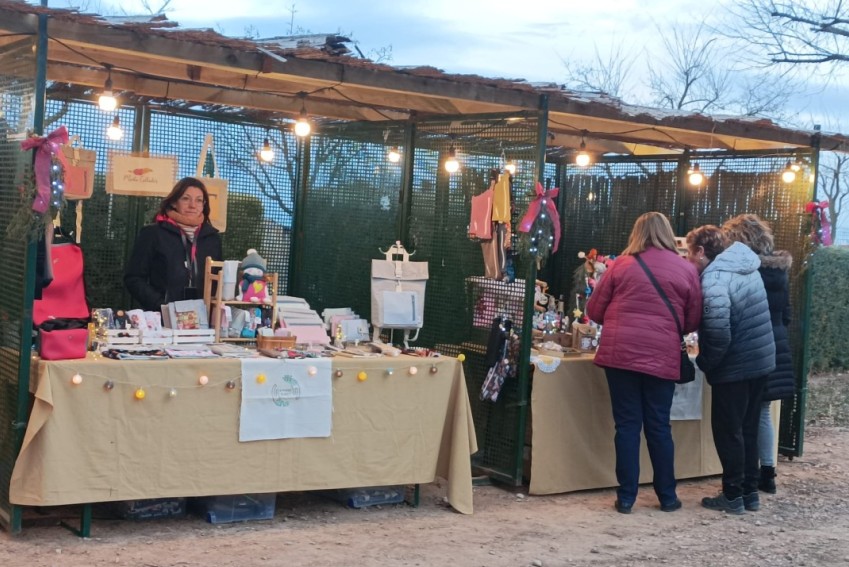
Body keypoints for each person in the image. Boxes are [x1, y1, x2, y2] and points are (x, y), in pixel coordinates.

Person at [587, 212, 702, 514]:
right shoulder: (685, 268)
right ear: (667, 233)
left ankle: (626, 497)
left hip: (620, 355)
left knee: (627, 426)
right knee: (659, 426)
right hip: (662, 357)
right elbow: (691, 320)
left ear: (637, 233)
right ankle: (667, 496)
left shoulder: (620, 265)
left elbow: (594, 310)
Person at [686, 225, 775, 515]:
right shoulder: (748, 267)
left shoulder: (713, 279)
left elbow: (719, 332)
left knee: (729, 431)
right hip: (760, 361)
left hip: (734, 367)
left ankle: (732, 494)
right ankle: (750, 492)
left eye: (689, 252)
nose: (689, 259)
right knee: (748, 429)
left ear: (701, 252)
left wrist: (704, 362)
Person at [722, 214, 795, 494]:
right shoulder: (779, 271)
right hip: (776, 345)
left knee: (745, 418)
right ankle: (768, 473)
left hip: (751, 347)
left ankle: (744, 479)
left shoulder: (747, 272)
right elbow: (786, 313)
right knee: (762, 412)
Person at [124, 177, 223, 311]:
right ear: (174, 202)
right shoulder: (153, 233)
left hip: (202, 321)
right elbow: (134, 278)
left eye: (199, 200)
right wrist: (160, 306)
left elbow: (218, 280)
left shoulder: (212, 239)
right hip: (162, 320)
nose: (193, 205)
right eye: (185, 198)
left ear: (204, 205)